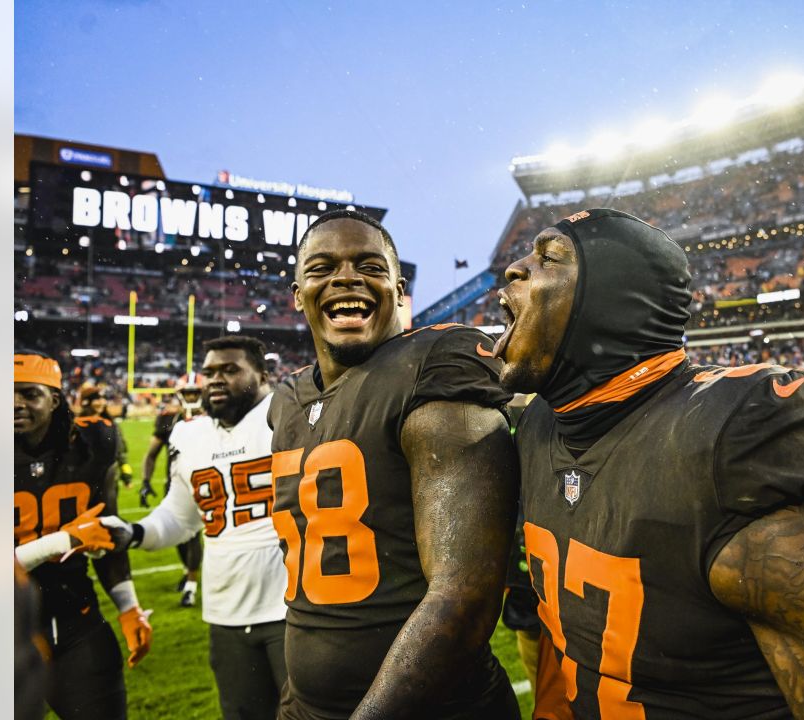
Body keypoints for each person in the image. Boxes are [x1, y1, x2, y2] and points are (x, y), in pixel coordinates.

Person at [494, 209, 804, 718]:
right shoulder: (540, 423)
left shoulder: (729, 431)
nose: (515, 268)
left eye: (549, 257)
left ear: (612, 300)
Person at [267, 210, 520, 719]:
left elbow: (463, 598)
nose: (345, 278)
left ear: (398, 289)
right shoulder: (288, 398)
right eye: (321, 269)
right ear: (297, 293)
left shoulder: (432, 365)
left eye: (369, 265)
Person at [103, 336, 288, 718]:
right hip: (225, 611)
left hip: (295, 606)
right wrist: (134, 534)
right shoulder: (189, 434)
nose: (216, 380)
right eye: (210, 373)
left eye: (231, 370)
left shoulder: (289, 416)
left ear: (263, 375)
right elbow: (179, 517)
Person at [13, 352, 152, 719]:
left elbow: (104, 532)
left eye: (28, 393)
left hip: (75, 620)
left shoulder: (93, 443)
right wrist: (60, 542)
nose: (14, 404)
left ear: (55, 399)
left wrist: (128, 607)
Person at [139, 373, 205, 606]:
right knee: (180, 535)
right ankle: (189, 571)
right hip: (175, 484)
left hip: (203, 483)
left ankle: (191, 585)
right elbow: (151, 454)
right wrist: (145, 482)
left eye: (194, 393)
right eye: (187, 393)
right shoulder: (168, 420)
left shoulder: (214, 418)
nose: (191, 397)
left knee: (193, 533)